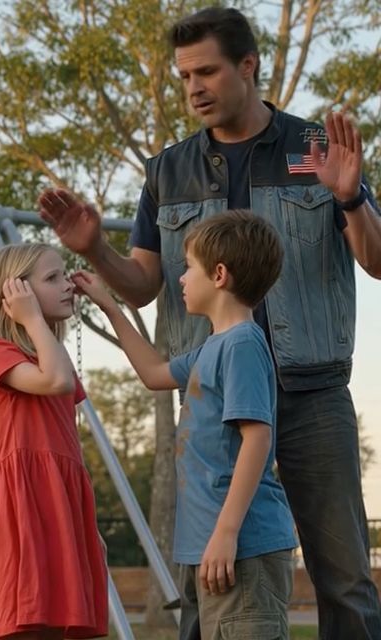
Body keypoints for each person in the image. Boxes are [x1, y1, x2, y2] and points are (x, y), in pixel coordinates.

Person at [38, 7, 381, 640]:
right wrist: (95, 250)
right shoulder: (167, 171)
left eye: (207, 72)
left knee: (346, 581)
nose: (193, 88)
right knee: (209, 576)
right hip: (213, 400)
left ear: (248, 66)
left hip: (312, 395)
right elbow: (144, 285)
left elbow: (377, 261)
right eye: (184, 76)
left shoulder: (313, 149)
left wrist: (351, 197)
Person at [73, 210, 297, 640]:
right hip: (205, 550)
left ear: (219, 275)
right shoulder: (212, 347)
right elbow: (154, 373)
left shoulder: (243, 345)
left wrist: (227, 533)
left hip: (242, 548)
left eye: (189, 267)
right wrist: (109, 305)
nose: (180, 278)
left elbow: (257, 438)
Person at [0, 243, 108, 640]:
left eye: (64, 276)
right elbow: (56, 382)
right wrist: (31, 319)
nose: (68, 285)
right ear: (16, 292)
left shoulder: (51, 354)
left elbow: (68, 440)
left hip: (60, 502)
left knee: (59, 624)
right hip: (23, 505)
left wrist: (86, 526)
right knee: (26, 619)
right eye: (52, 278)